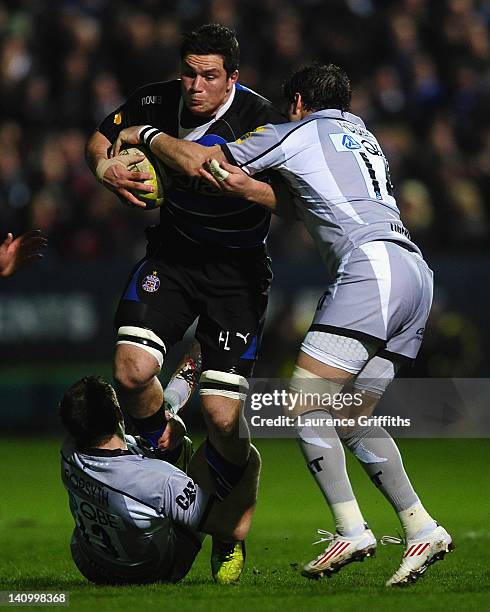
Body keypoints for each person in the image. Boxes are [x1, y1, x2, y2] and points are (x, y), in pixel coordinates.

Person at [111, 64, 454, 587]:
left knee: (304, 404)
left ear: (296, 101)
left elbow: (211, 164)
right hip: (415, 274)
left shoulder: (296, 129)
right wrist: (251, 191)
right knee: (353, 417)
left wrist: (146, 135)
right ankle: (421, 526)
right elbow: (279, 196)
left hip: (370, 268)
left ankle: (351, 528)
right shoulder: (364, 137)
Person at [85, 23, 286, 583]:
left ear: (233, 79)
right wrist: (106, 167)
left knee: (225, 419)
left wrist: (233, 180)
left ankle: (227, 532)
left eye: (210, 75)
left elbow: (285, 195)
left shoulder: (262, 121)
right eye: (190, 72)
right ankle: (165, 447)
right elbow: (101, 138)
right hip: (172, 258)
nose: (196, 85)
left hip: (237, 275)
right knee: (130, 371)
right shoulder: (157, 99)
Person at [60, 375, 260, 585]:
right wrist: (249, 468)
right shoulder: (159, 480)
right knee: (239, 456)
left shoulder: (68, 451)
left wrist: (173, 416)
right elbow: (233, 527)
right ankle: (226, 546)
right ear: (119, 413)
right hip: (152, 571)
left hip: (89, 563)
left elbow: (136, 442)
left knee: (176, 447)